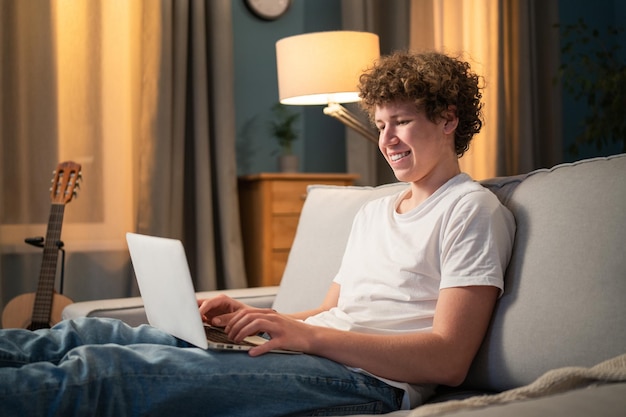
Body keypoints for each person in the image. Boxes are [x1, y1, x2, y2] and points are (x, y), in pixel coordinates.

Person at [0, 51, 515, 416]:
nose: (386, 140)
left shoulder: (470, 210)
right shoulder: (376, 211)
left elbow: (448, 358)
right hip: (314, 353)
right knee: (89, 334)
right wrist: (262, 320)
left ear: (448, 120)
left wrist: (308, 337)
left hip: (367, 381)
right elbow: (332, 312)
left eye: (400, 122)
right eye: (380, 124)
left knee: (103, 372)